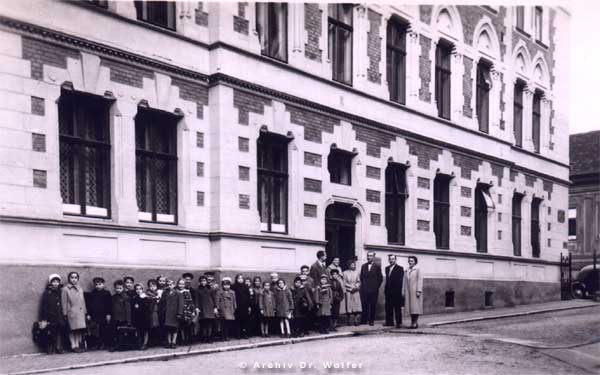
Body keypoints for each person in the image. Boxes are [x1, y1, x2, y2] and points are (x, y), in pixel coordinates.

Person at [61, 271, 87, 352]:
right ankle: (73, 345)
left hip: (80, 313)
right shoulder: (65, 289)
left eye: (75, 278)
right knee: (72, 330)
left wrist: (85, 312)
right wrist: (65, 313)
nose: (74, 279)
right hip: (71, 313)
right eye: (72, 277)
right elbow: (64, 302)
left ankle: (78, 344)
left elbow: (83, 301)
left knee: (79, 329)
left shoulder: (80, 288)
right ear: (69, 278)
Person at [40, 274, 65, 354]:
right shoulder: (47, 293)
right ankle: (50, 348)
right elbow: (44, 306)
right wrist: (44, 318)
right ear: (50, 283)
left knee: (59, 332)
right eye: (53, 282)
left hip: (60, 315)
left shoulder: (61, 292)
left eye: (57, 282)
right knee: (51, 332)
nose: (55, 283)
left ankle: (59, 347)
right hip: (51, 315)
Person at [85, 277, 112, 350]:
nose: (98, 286)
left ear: (103, 284)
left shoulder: (107, 293)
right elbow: (89, 305)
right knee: (95, 331)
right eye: (96, 284)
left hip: (103, 315)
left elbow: (109, 305)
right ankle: (97, 344)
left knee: (103, 330)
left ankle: (104, 344)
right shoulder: (92, 293)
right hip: (95, 315)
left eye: (100, 284)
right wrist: (89, 314)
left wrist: (108, 314)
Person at [360, 252, 383, 326]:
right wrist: (363, 286)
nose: (369, 257)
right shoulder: (363, 266)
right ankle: (364, 320)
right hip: (365, 289)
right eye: (368, 256)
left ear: (373, 257)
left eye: (370, 256)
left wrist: (376, 286)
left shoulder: (377, 266)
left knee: (373, 305)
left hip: (373, 290)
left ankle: (371, 320)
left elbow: (380, 278)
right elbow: (361, 277)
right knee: (364, 305)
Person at [159, 279, 183, 348]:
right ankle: (169, 342)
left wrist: (179, 313)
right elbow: (162, 303)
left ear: (174, 285)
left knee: (175, 328)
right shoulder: (165, 293)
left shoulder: (178, 293)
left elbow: (181, 304)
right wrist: (162, 311)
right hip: (167, 313)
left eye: (171, 285)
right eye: (168, 285)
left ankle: (174, 342)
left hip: (174, 313)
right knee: (168, 328)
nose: (169, 286)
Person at [402, 256, 424, 329]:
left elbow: (420, 280)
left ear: (415, 262)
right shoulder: (406, 270)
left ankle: (415, 322)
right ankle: (412, 323)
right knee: (410, 308)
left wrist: (419, 290)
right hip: (408, 291)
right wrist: (403, 291)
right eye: (409, 261)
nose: (410, 262)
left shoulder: (418, 269)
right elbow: (404, 282)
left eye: (412, 261)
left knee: (415, 307)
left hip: (415, 291)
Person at [384, 254, 405, 328]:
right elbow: (387, 280)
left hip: (396, 291)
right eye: (390, 259)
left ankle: (399, 323)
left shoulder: (400, 268)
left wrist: (400, 291)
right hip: (388, 291)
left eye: (392, 259)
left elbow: (400, 281)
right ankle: (389, 322)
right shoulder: (386, 268)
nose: (391, 260)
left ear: (395, 260)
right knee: (388, 307)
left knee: (397, 307)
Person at [110, 280, 131, 352]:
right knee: (114, 333)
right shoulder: (113, 297)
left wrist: (128, 321)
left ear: (123, 288)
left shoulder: (126, 297)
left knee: (122, 332)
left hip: (123, 318)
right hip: (115, 318)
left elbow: (128, 310)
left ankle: (122, 346)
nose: (118, 290)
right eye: (117, 288)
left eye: (120, 288)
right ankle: (115, 346)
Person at [195, 276, 217, 343]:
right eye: (201, 281)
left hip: (210, 308)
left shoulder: (210, 289)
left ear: (207, 281)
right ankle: (204, 337)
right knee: (203, 324)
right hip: (202, 308)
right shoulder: (198, 290)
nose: (203, 282)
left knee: (210, 324)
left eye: (204, 281)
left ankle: (209, 337)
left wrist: (215, 307)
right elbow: (196, 300)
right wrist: (197, 307)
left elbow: (214, 299)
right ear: (199, 282)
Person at [340, 259, 362, 326]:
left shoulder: (357, 272)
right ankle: (348, 320)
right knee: (348, 305)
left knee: (356, 305)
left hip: (355, 291)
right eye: (352, 265)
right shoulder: (345, 273)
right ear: (349, 265)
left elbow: (359, 281)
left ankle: (356, 320)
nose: (354, 266)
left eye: (354, 265)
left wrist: (356, 287)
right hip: (348, 291)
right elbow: (344, 282)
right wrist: (350, 288)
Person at [176, 278, 196, 344]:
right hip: (179, 311)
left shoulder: (187, 292)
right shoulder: (176, 292)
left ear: (184, 285)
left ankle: (188, 339)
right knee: (180, 326)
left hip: (187, 311)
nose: (181, 285)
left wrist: (192, 311)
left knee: (188, 325)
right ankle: (182, 339)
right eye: (179, 284)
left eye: (182, 284)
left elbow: (190, 302)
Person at [231, 274, 251, 339]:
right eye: (239, 278)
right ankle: (238, 334)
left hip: (244, 306)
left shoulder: (246, 287)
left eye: (241, 278)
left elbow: (248, 297)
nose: (240, 279)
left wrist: (249, 306)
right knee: (237, 321)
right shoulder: (233, 286)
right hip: (237, 306)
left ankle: (244, 334)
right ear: (236, 279)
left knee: (244, 321)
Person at [131, 283, 149, 350]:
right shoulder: (134, 298)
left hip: (144, 317)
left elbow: (147, 307)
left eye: (140, 289)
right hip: (137, 317)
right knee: (138, 331)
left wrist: (139, 306)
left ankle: (145, 344)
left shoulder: (145, 298)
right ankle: (139, 343)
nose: (138, 290)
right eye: (137, 289)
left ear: (142, 289)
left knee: (145, 331)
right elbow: (133, 308)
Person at [145, 279, 161, 347]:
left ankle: (156, 341)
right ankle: (150, 341)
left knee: (156, 327)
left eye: (154, 286)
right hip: (150, 312)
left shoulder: (158, 293)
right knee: (150, 326)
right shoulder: (147, 294)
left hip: (157, 311)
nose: (152, 287)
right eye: (150, 286)